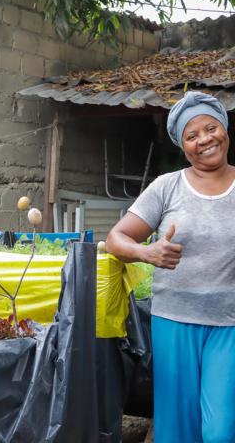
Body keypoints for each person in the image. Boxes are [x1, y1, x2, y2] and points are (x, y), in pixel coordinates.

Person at [106, 91, 235, 443]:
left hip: (229, 324)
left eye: (210, 128)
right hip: (174, 319)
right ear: (182, 145)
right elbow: (117, 238)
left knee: (222, 429)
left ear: (224, 128)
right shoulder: (167, 188)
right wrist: (148, 253)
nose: (205, 140)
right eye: (192, 136)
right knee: (176, 430)